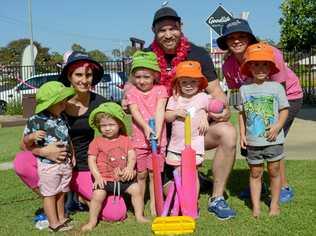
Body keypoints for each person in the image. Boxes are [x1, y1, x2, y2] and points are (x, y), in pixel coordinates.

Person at [148, 6, 237, 220]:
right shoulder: (147, 56)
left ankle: (216, 197)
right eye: (162, 30)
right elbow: (134, 88)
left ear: (181, 27)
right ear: (153, 31)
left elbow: (216, 93)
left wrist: (220, 111)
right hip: (163, 136)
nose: (168, 34)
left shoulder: (197, 54)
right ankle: (192, 177)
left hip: (196, 130)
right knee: (174, 191)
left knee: (228, 132)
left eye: (172, 28)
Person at [13, 51, 110, 220]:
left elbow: (112, 136)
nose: (84, 80)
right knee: (22, 162)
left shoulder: (100, 103)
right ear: (69, 77)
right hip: (53, 165)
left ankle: (77, 197)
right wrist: (44, 152)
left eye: (88, 75)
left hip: (84, 166)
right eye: (78, 74)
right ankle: (54, 200)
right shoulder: (53, 103)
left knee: (114, 213)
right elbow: (23, 145)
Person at [218, 18, 303, 203]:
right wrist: (245, 130)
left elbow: (277, 95)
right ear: (225, 43)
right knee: (252, 144)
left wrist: (269, 125)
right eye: (231, 37)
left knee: (271, 143)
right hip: (254, 104)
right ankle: (259, 183)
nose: (237, 40)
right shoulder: (228, 66)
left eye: (242, 36)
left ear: (250, 39)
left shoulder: (272, 54)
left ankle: (283, 187)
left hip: (287, 98)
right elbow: (237, 97)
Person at [238, 42, 289, 217]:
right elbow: (241, 114)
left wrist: (277, 126)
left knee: (274, 171)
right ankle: (256, 207)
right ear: (249, 67)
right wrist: (242, 135)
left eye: (265, 64)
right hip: (253, 142)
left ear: (271, 67)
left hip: (273, 140)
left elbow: (284, 110)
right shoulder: (243, 89)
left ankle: (274, 205)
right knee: (255, 172)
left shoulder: (277, 88)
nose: (260, 68)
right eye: (256, 64)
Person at [81, 102, 148, 231]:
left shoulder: (125, 139)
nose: (107, 128)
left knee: (136, 190)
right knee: (97, 196)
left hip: (124, 178)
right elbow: (91, 160)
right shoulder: (96, 142)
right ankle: (92, 221)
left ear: (119, 124)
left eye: (111, 124)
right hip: (105, 179)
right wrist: (97, 176)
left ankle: (139, 216)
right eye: (103, 125)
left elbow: (132, 155)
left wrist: (129, 168)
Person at [23, 81, 75, 231]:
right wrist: (32, 136)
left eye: (64, 101)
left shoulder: (62, 117)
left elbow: (67, 137)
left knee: (61, 192)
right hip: (48, 164)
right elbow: (26, 142)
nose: (63, 104)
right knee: (49, 194)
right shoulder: (35, 120)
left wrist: (72, 153)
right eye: (59, 102)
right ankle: (54, 223)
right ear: (49, 104)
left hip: (64, 162)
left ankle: (61, 217)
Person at [125, 51, 168, 216]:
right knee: (141, 174)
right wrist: (145, 127)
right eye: (138, 77)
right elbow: (135, 111)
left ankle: (155, 205)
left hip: (158, 138)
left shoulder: (161, 90)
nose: (141, 81)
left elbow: (160, 110)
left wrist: (156, 130)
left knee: (154, 173)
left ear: (155, 76)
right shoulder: (132, 93)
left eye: (146, 77)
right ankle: (139, 204)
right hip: (140, 140)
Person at [165, 60, 210, 195]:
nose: (189, 86)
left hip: (194, 145)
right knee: (178, 173)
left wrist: (204, 117)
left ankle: (192, 202)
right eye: (184, 82)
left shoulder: (202, 97)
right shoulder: (175, 98)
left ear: (200, 83)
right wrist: (175, 113)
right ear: (178, 83)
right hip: (176, 144)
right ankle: (182, 198)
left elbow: (212, 109)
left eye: (193, 82)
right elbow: (167, 117)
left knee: (192, 173)